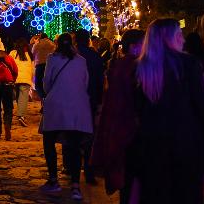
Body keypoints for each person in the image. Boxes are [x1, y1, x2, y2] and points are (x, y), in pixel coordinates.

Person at [125, 18, 204, 204]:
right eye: (179, 35)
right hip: (184, 143)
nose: (183, 40)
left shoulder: (140, 68)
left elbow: (137, 109)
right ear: (169, 38)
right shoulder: (188, 64)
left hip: (152, 145)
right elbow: (200, 105)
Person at [89, 28, 144, 202]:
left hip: (119, 127)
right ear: (135, 46)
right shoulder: (135, 66)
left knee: (127, 177)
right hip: (132, 129)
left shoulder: (118, 65)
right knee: (135, 175)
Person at [38, 33, 92, 200]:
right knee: (75, 146)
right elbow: (86, 82)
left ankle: (53, 180)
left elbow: (46, 83)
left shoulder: (52, 59)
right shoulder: (81, 61)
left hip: (56, 106)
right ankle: (75, 186)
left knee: (49, 141)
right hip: (77, 107)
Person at [74, 29, 106, 184]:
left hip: (73, 100)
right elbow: (100, 79)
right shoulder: (94, 56)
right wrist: (99, 100)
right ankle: (88, 170)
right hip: (90, 99)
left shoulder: (70, 56)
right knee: (89, 135)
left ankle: (71, 167)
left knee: (72, 134)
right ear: (88, 40)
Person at [11, 39, 35, 127]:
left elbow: (9, 64)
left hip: (15, 79)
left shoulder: (13, 53)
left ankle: (20, 113)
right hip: (25, 80)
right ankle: (21, 116)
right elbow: (33, 69)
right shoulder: (30, 55)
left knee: (18, 97)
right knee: (23, 98)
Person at [32, 32, 56, 96]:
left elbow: (33, 53)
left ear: (41, 37)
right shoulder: (52, 44)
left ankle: (42, 97)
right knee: (49, 83)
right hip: (50, 65)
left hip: (39, 65)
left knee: (38, 84)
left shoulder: (37, 44)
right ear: (47, 37)